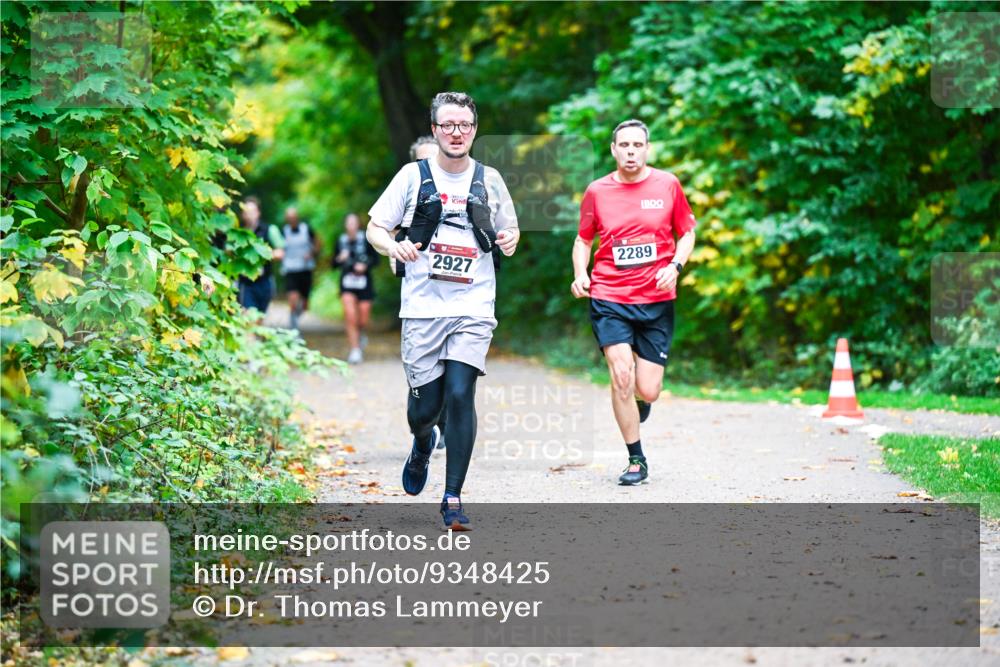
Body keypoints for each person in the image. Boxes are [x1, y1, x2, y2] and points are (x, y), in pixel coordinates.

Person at [366, 91, 519, 530]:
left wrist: (510, 239)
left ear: (474, 130)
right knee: (423, 411)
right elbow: (377, 226)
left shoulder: (489, 179)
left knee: (459, 394)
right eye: (448, 125)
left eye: (465, 126)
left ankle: (453, 498)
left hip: (473, 304)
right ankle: (420, 443)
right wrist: (391, 245)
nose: (457, 133)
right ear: (435, 130)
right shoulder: (412, 177)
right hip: (422, 309)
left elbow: (509, 229)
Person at [570, 119, 697, 486]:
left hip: (656, 299)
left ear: (647, 148)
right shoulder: (597, 191)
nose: (630, 151)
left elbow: (687, 232)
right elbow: (583, 240)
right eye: (623, 145)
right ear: (613, 150)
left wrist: (676, 265)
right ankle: (636, 459)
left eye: (637, 145)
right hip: (610, 296)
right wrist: (581, 274)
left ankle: (641, 402)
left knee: (648, 388)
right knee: (621, 375)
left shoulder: (667, 185)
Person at [335, 212, 378, 364]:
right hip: (347, 283)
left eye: (354, 223)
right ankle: (355, 350)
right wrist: (340, 258)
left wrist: (365, 265)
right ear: (346, 225)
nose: (351, 226)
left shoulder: (366, 240)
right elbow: (333, 263)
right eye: (349, 223)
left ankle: (361, 333)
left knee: (363, 318)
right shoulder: (341, 241)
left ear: (358, 225)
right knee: (350, 315)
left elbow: (376, 260)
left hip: (364, 283)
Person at [237, 196, 284, 318]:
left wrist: (262, 254)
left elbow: (280, 252)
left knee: (259, 320)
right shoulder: (237, 233)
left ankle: (256, 336)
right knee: (249, 318)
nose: (249, 215)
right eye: (246, 212)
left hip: (265, 282)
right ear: (242, 214)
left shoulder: (270, 230)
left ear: (258, 213)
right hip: (245, 283)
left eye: (252, 211)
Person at [281, 206, 321, 331]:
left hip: (305, 269)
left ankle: (297, 317)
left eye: (293, 217)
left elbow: (318, 242)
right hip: (290, 270)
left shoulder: (306, 229)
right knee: (292, 299)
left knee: (305, 305)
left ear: (297, 218)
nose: (291, 220)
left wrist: (312, 253)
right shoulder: (284, 231)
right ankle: (293, 326)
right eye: (289, 218)